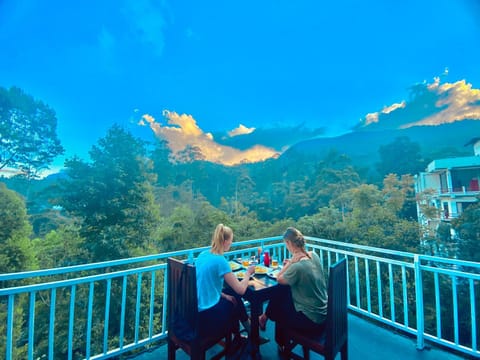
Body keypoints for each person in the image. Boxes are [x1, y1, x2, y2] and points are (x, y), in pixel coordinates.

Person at [258, 227, 328, 342]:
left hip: (311, 320)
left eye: (285, 244)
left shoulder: (297, 267)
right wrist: (291, 264)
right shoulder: (314, 255)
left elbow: (278, 278)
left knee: (279, 305)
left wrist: (290, 262)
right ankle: (264, 318)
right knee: (282, 292)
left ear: (289, 243)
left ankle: (281, 342)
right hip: (322, 313)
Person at [195, 224, 254, 342]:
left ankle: (241, 335)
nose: (231, 244)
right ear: (225, 241)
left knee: (232, 296)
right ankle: (249, 334)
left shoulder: (203, 254)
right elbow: (241, 290)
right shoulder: (220, 260)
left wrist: (225, 296)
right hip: (207, 313)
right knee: (236, 299)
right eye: (231, 241)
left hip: (196, 306)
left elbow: (206, 285)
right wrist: (248, 273)